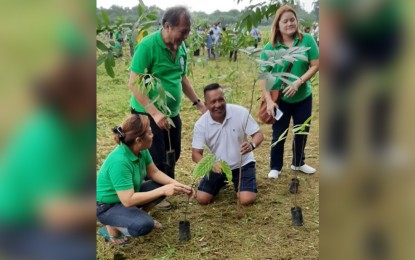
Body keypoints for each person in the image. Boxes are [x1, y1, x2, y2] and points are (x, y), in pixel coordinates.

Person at [128, 6, 206, 184]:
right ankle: (154, 191)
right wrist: (155, 113)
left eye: (188, 32)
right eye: (182, 31)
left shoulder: (181, 47)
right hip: (147, 113)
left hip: (171, 113)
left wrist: (198, 103)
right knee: (155, 155)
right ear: (167, 26)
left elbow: (182, 78)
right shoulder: (147, 46)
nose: (186, 36)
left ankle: (166, 186)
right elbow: (134, 83)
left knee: (174, 151)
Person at [96, 114, 195, 245]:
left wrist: (180, 185)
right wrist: (164, 190)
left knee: (160, 185)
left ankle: (133, 217)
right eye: (149, 132)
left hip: (127, 196)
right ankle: (112, 227)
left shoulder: (141, 150)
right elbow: (128, 200)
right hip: (107, 206)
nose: (153, 134)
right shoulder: (119, 162)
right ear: (138, 140)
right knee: (143, 225)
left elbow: (154, 172)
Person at [259, 5, 319, 179]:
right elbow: (264, 76)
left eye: (292, 19)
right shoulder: (270, 48)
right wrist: (269, 101)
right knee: (280, 132)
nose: (289, 23)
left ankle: (298, 162)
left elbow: (316, 64)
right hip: (280, 99)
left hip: (303, 97)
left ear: (297, 21)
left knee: (302, 130)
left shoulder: (307, 40)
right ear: (278, 25)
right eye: (285, 21)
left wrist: (298, 82)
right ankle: (275, 166)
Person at [192, 83, 264, 206]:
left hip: (243, 163)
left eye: (221, 99)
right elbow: (195, 154)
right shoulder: (201, 125)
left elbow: (259, 135)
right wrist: (211, 165)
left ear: (225, 99)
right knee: (202, 199)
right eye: (213, 101)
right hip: (218, 167)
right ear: (206, 104)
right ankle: (222, 181)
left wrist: (252, 145)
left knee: (246, 200)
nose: (218, 105)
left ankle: (240, 182)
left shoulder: (240, 112)